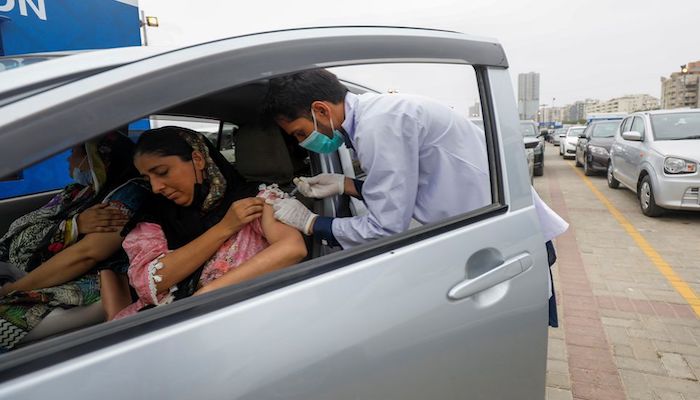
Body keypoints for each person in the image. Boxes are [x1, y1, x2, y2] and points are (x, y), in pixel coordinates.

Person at [265, 69, 568, 325]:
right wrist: (346, 185)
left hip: (500, 240)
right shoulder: (378, 114)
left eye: (300, 133)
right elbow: (407, 186)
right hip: (496, 230)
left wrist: (311, 222)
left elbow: (385, 228)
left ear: (321, 110)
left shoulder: (379, 125)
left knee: (510, 336)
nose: (304, 144)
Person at [113, 127, 306, 319]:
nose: (156, 188)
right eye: (148, 179)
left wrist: (208, 294)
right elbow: (148, 283)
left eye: (162, 172)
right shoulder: (156, 216)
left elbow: (292, 248)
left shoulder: (253, 200)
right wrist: (224, 228)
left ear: (197, 160)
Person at [0, 131, 149, 351]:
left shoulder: (129, 195)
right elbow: (26, 224)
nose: (68, 160)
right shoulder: (80, 193)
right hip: (32, 268)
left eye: (74, 153)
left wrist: (14, 289)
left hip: (89, 283)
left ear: (97, 159)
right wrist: (75, 224)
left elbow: (86, 255)